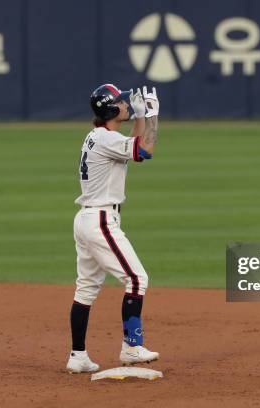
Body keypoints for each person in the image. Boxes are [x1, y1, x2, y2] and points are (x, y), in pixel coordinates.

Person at [66, 84, 160, 373]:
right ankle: (132, 347)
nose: (125, 103)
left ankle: (78, 356)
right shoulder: (106, 139)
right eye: (119, 101)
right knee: (136, 279)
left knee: (86, 289)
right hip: (101, 221)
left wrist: (140, 116)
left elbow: (133, 150)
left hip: (86, 220)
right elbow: (144, 149)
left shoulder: (99, 136)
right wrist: (153, 115)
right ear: (108, 109)